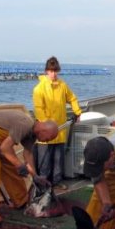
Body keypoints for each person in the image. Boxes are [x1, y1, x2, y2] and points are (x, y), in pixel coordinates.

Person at [0, 110, 58, 226]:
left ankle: (21, 201)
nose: (45, 141)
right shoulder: (25, 124)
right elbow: (5, 149)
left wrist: (35, 176)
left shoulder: (32, 134)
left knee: (12, 167)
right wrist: (19, 165)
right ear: (44, 130)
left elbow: (28, 154)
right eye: (47, 139)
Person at [33, 56, 82, 190]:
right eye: (51, 71)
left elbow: (72, 98)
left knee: (58, 159)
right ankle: (43, 184)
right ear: (46, 71)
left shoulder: (63, 86)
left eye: (55, 71)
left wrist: (77, 111)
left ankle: (57, 181)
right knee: (44, 160)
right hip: (45, 133)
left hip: (60, 131)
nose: (53, 74)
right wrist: (46, 127)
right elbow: (38, 109)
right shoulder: (39, 89)